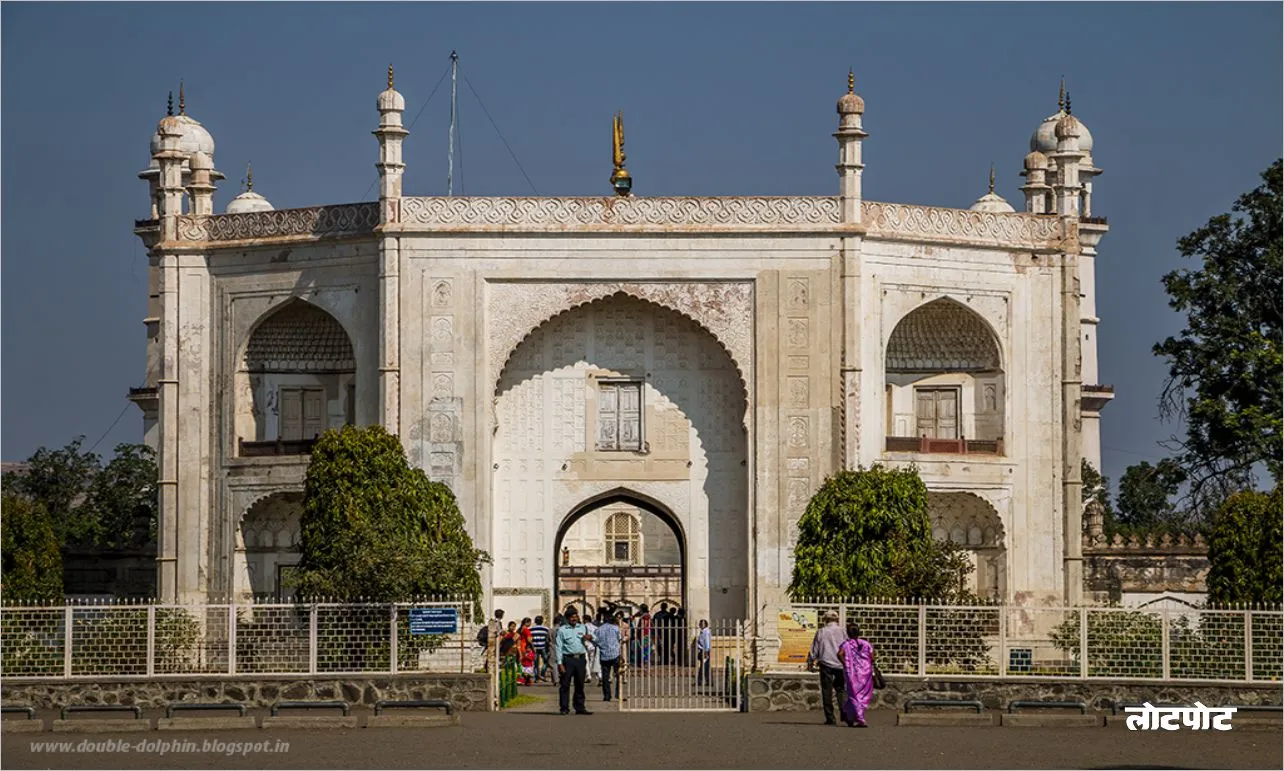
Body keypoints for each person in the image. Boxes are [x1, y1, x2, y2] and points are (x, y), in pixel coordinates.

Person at [806, 610, 847, 726]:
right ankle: (844, 713)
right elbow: (848, 646)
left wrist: (812, 660)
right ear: (837, 619)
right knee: (841, 689)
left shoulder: (821, 632)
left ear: (825, 620)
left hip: (826, 664)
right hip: (840, 664)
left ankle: (830, 718)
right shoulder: (843, 631)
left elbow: (815, 649)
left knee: (826, 691)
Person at [554, 606, 594, 715]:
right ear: (567, 618)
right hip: (568, 659)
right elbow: (558, 647)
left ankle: (580, 707)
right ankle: (564, 708)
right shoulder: (562, 630)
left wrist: (590, 637)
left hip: (580, 659)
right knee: (565, 685)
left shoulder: (582, 627)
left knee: (580, 684)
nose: (574, 619)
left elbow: (594, 637)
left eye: (576, 616)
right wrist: (559, 663)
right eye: (572, 617)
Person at [838, 622, 875, 728]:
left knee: (853, 695)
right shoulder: (866, 644)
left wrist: (845, 664)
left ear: (848, 633)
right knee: (861, 696)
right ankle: (851, 716)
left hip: (852, 673)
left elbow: (840, 654)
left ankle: (858, 718)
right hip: (865, 673)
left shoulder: (846, 644)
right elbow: (872, 657)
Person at [595, 612, 623, 702]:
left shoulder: (598, 629)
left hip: (604, 655)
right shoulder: (615, 628)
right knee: (619, 675)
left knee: (605, 677)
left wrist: (602, 646)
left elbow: (595, 641)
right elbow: (620, 639)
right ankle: (618, 694)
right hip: (615, 654)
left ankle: (607, 696)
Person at [530, 615, 551, 682]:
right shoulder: (546, 629)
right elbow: (548, 639)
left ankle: (537, 677)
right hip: (543, 647)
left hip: (534, 647)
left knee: (535, 663)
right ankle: (542, 674)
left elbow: (530, 639)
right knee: (546, 661)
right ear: (542, 621)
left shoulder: (531, 629)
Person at [694, 619, 712, 685]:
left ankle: (700, 681)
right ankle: (708, 681)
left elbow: (707, 642)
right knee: (705, 666)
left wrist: (706, 652)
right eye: (700, 623)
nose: (700, 625)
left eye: (702, 624)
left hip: (704, 651)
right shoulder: (703, 631)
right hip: (702, 650)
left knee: (704, 667)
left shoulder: (706, 632)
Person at [585, 612, 601, 684]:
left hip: (585, 645)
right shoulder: (595, 627)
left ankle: (588, 675)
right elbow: (597, 638)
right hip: (593, 645)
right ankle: (595, 675)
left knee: (586, 661)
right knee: (592, 660)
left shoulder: (583, 627)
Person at [518, 617, 536, 685]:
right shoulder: (526, 630)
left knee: (523, 665)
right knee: (528, 665)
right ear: (527, 623)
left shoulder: (520, 629)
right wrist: (533, 648)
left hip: (521, 647)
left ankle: (523, 680)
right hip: (526, 647)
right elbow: (529, 640)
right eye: (530, 622)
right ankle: (527, 680)